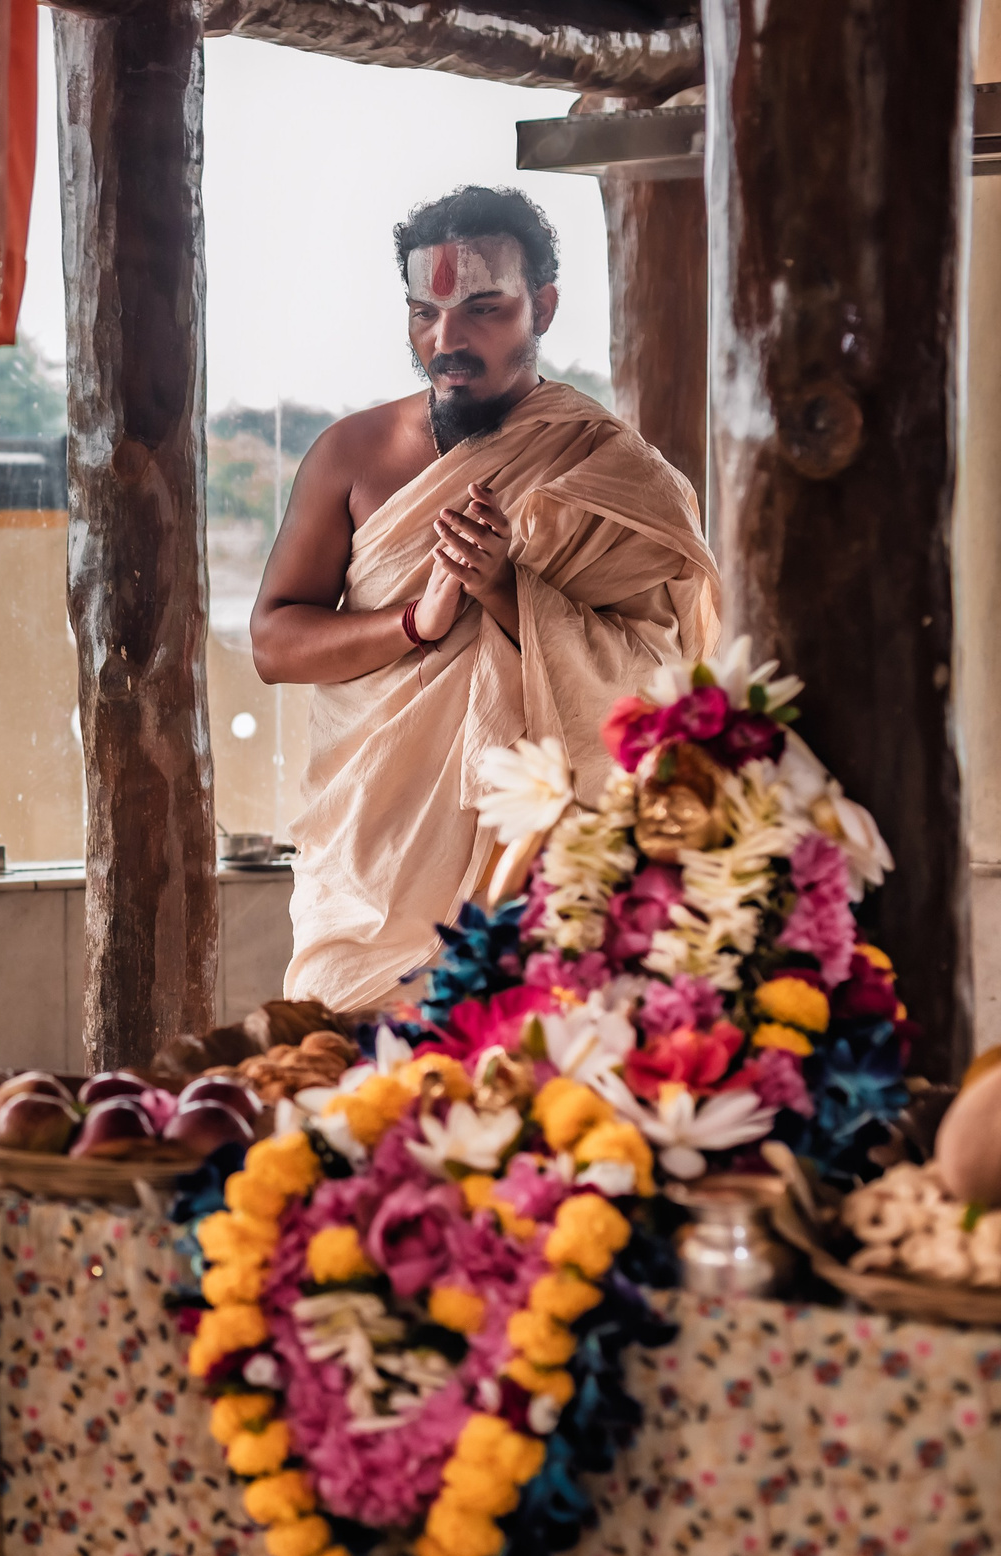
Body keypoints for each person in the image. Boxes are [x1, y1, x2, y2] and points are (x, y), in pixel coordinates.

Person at [250, 185, 719, 1013]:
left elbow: (666, 685)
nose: (446, 338)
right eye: (422, 310)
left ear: (542, 306)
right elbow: (274, 642)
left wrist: (507, 589)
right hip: (372, 863)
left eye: (481, 308)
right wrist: (415, 622)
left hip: (542, 871)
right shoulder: (351, 453)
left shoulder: (613, 474)